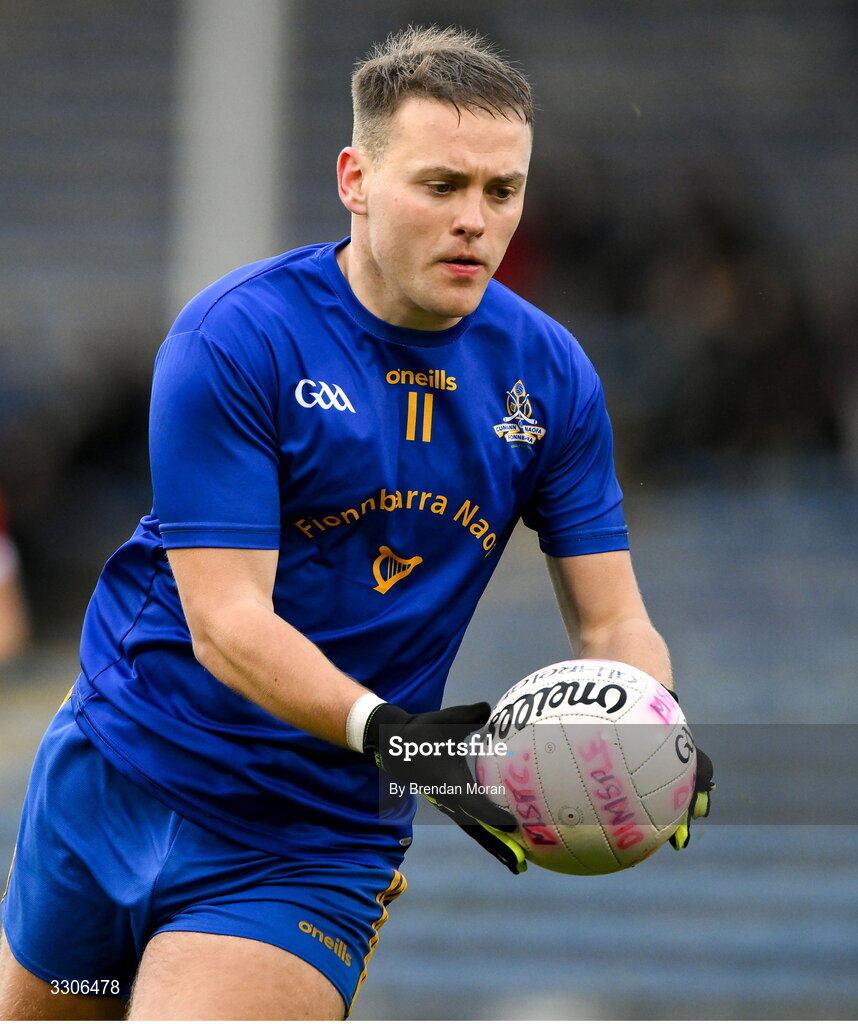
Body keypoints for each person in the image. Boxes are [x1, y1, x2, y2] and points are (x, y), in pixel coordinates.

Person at [0, 25, 712, 1022]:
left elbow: (613, 625)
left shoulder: (551, 379)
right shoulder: (238, 336)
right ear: (356, 178)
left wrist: (649, 724)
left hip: (306, 845)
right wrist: (407, 740)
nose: (476, 221)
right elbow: (227, 625)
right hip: (115, 785)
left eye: (501, 191)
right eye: (441, 185)